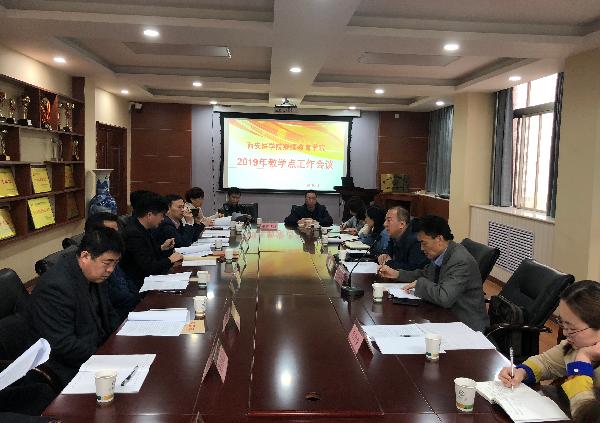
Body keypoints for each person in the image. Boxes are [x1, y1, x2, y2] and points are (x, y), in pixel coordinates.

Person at [26, 228, 122, 388]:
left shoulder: (94, 273)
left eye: (115, 263)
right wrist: (105, 357)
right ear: (85, 256)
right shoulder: (55, 287)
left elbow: (109, 313)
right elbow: (63, 345)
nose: (111, 270)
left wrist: (120, 341)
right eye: (107, 263)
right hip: (68, 366)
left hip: (98, 352)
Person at [498, 280, 600, 416]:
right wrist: (521, 372)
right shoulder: (576, 345)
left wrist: (582, 360)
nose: (565, 333)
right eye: (563, 324)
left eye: (572, 329)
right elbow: (546, 363)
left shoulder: (582, 350)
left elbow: (584, 414)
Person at [379, 215, 489, 332]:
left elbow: (444, 297)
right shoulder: (442, 253)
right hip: (446, 316)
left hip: (466, 326)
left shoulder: (460, 260)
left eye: (424, 243)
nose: (421, 248)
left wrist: (420, 284)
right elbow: (425, 273)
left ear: (439, 239)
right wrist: (397, 274)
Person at [84, 212, 141, 322]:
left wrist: (140, 298)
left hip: (130, 308)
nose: (117, 236)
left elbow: (126, 279)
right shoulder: (93, 262)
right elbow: (115, 297)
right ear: (95, 235)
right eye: (111, 232)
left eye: (117, 231)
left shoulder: (111, 252)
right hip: (119, 316)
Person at [120, 192, 183, 288]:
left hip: (149, 279)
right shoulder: (134, 234)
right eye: (161, 215)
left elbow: (146, 252)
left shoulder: (145, 228)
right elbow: (149, 266)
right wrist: (170, 260)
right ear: (149, 215)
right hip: (139, 284)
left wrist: (161, 247)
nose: (163, 219)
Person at [377, 206, 428, 271]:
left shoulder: (416, 240)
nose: (384, 224)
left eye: (389, 220)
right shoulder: (394, 235)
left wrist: (390, 263)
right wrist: (383, 254)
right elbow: (387, 252)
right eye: (385, 220)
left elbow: (413, 268)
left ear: (402, 224)